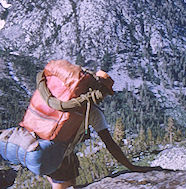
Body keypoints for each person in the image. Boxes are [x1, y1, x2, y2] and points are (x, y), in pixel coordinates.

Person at [17, 61, 160, 189]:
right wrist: (131, 166)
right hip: (54, 154)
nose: (104, 98)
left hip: (38, 143)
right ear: (99, 92)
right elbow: (110, 144)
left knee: (71, 179)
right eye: (105, 94)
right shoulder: (93, 113)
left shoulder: (63, 97)